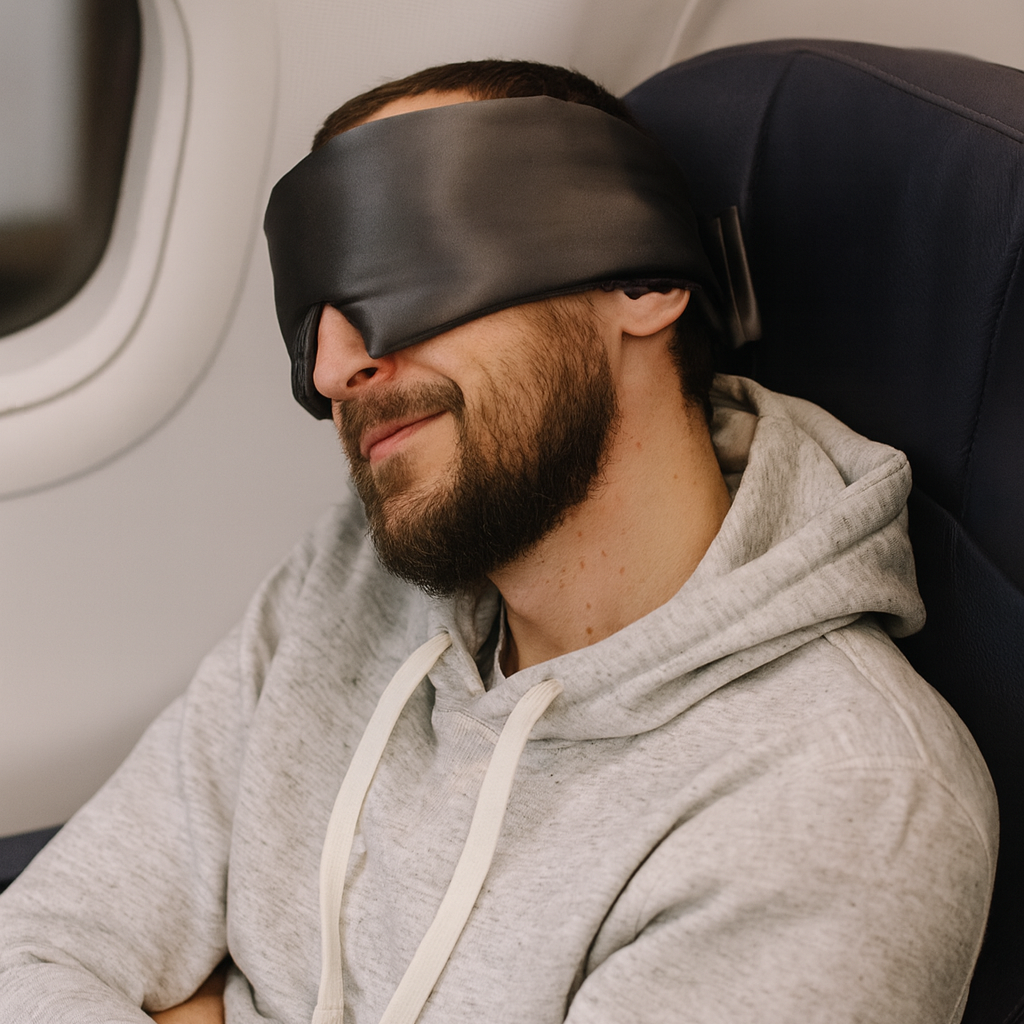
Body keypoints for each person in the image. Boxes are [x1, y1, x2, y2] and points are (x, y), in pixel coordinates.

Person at [0, 59, 998, 1024]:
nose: (336, 368)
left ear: (643, 280)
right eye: (314, 316)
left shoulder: (834, 799)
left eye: (398, 254)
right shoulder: (349, 580)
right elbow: (34, 952)